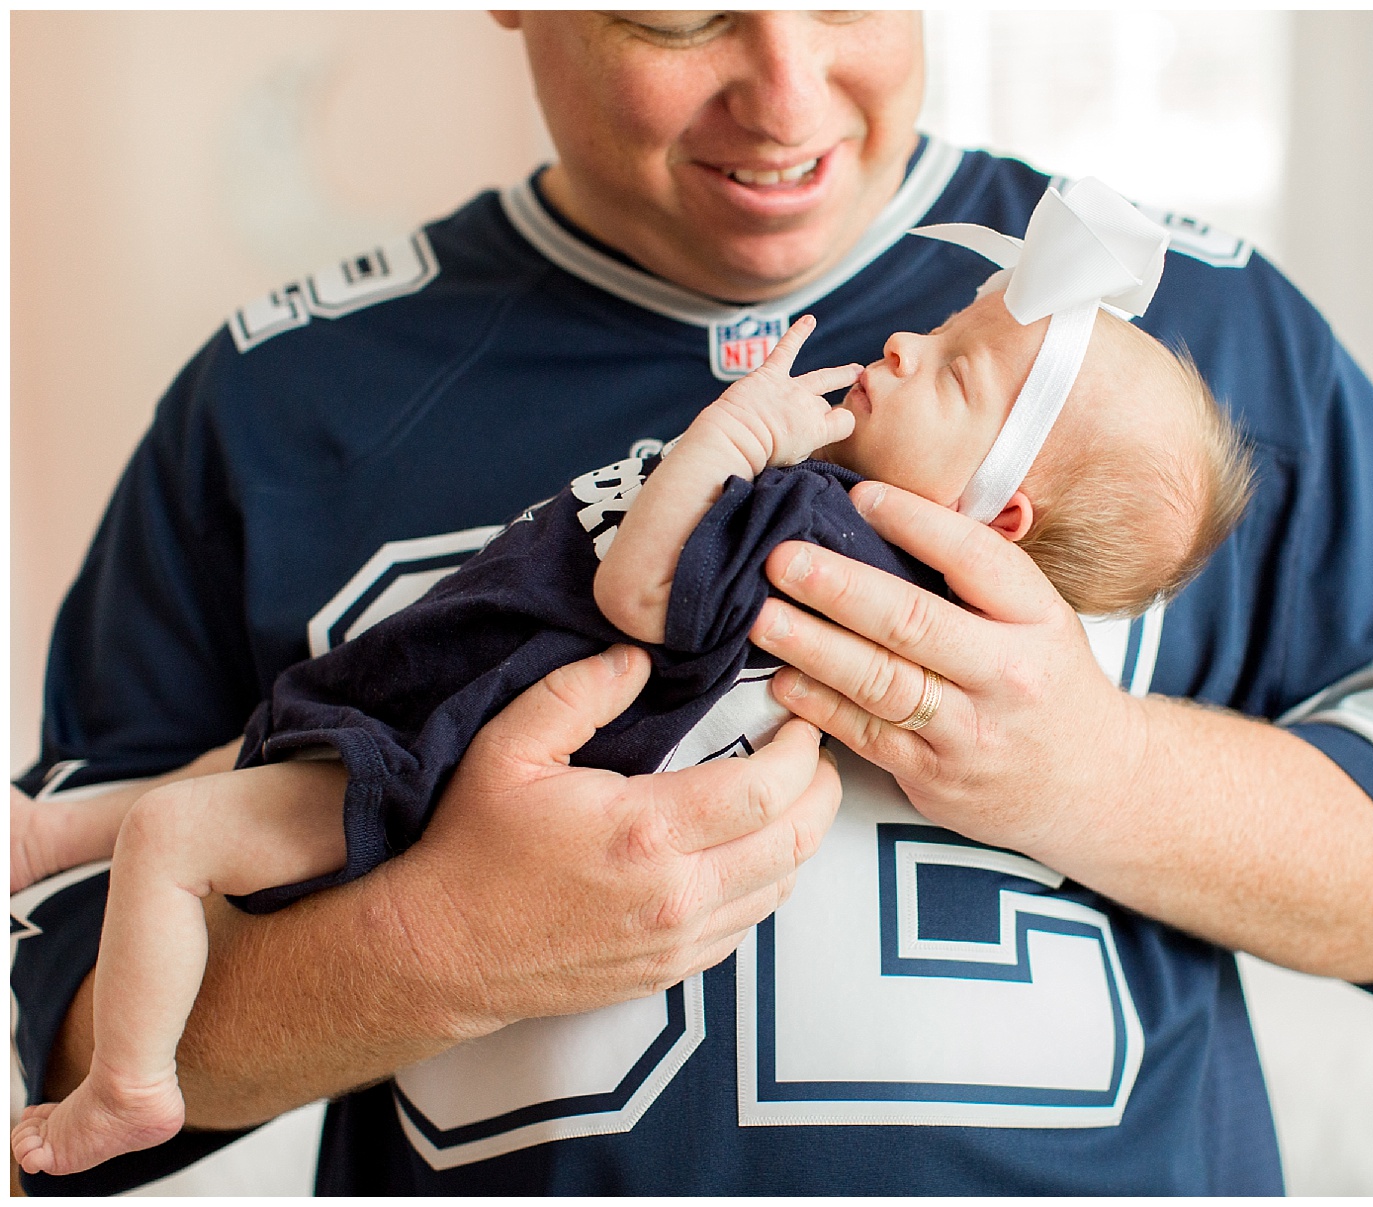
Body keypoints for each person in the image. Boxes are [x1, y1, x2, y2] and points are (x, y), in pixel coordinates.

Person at [11, 11, 1373, 1196]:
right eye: (681, 16)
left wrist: (1088, 772)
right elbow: (54, 1026)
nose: (789, 94)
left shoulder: (1178, 356)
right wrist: (431, 946)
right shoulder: (277, 400)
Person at [10, 209, 1252, 1176]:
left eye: (963, 377)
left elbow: (647, 600)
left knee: (185, 828)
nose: (911, 341)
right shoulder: (850, 513)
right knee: (251, 754)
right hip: (428, 703)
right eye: (957, 326)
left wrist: (733, 436)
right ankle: (57, 831)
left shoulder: (820, 528)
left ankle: (132, 1088)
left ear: (998, 511)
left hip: (435, 761)